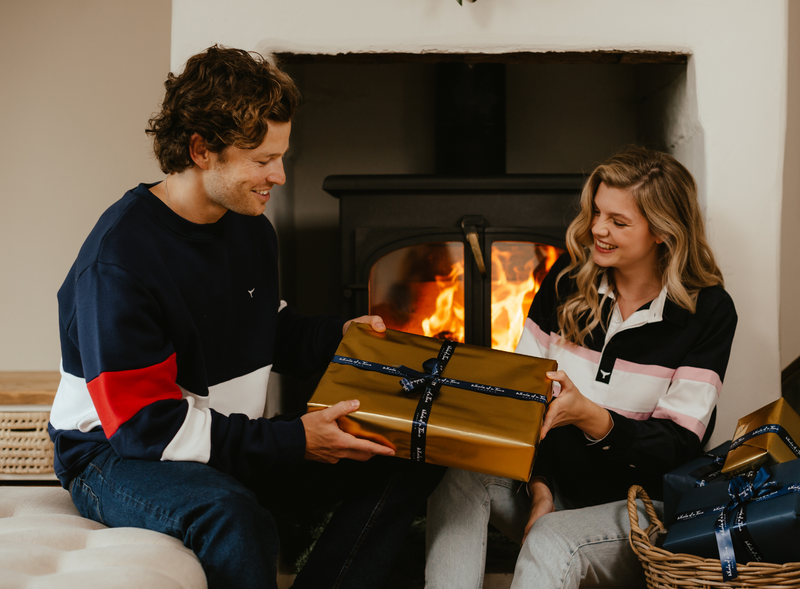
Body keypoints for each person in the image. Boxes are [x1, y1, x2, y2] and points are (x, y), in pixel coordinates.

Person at [48, 45, 444, 589]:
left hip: (218, 436)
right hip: (113, 455)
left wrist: (341, 336)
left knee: (402, 452)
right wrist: (295, 441)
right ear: (201, 148)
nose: (279, 176)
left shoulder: (249, 225)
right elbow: (148, 431)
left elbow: (265, 327)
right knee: (233, 517)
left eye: (281, 156)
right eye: (262, 161)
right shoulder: (120, 263)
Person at [424, 146, 738, 588]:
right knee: (461, 477)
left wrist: (593, 417)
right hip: (555, 487)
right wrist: (541, 488)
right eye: (596, 213)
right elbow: (520, 405)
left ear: (663, 233)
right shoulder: (566, 282)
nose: (597, 229)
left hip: (640, 510)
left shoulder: (707, 311)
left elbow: (678, 446)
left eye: (618, 222)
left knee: (552, 537)